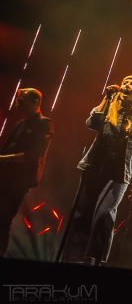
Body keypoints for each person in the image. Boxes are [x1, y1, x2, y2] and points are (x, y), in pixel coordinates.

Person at [62, 76, 132, 265]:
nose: (127, 85)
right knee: (82, 212)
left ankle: (95, 258)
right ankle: (74, 258)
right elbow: (91, 123)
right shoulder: (110, 107)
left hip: (120, 174)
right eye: (125, 82)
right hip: (95, 167)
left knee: (104, 214)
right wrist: (106, 98)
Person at [0, 88, 53, 256]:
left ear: (35, 102)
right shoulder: (20, 124)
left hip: (18, 181)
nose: (18, 104)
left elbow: (32, 156)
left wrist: (2, 159)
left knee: (3, 218)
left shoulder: (44, 124)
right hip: (5, 177)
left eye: (22, 101)